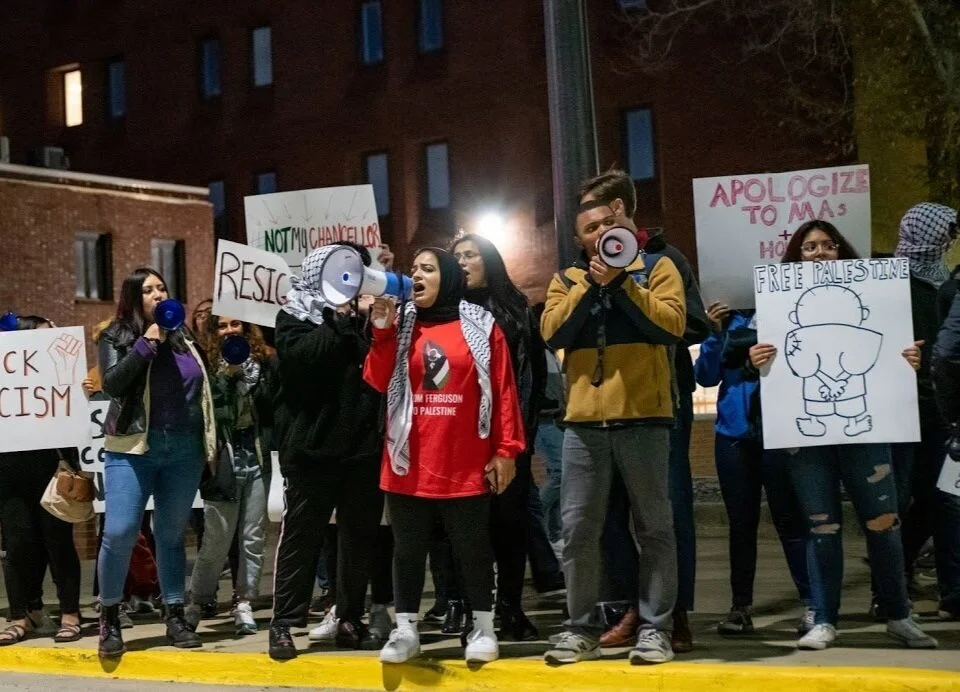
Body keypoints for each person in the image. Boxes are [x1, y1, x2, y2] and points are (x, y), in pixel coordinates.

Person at [747, 220, 937, 650]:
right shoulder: (774, 308)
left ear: (841, 251)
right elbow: (768, 364)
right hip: (807, 436)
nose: (820, 253)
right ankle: (824, 618)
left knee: (884, 522)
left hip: (866, 429)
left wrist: (906, 358)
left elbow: (884, 357)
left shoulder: (875, 303)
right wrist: (754, 357)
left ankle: (899, 614)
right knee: (822, 526)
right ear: (796, 256)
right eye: (809, 246)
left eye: (828, 245)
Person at [541, 195, 686, 666]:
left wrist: (623, 284)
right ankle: (580, 629)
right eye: (591, 228)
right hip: (583, 425)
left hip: (645, 419)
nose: (601, 232)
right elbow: (553, 332)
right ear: (580, 241)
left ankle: (656, 629)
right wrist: (591, 286)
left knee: (655, 528)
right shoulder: (566, 280)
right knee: (578, 530)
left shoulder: (656, 268)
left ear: (622, 221)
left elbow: (672, 326)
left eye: (608, 222)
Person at [365, 248, 525, 664]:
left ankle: (483, 627)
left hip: (464, 459)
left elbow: (504, 389)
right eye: (413, 268)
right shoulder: (400, 323)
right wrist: (382, 333)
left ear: (449, 277)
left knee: (472, 548)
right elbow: (377, 380)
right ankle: (405, 630)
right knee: (407, 550)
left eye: (428, 268)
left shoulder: (481, 325)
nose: (416, 274)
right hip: (408, 460)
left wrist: (506, 450)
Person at [577, 170, 710, 653]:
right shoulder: (584, 266)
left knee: (666, 510)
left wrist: (634, 307)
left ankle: (675, 613)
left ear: (617, 209)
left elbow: (692, 324)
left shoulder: (664, 259)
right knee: (608, 510)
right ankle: (639, 605)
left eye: (596, 211)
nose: (591, 224)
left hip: (661, 401)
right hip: (605, 402)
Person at [268, 242, 389, 660]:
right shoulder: (294, 316)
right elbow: (303, 360)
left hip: (362, 449)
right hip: (311, 449)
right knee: (302, 537)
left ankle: (350, 617)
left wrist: (373, 322)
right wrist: (338, 319)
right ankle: (284, 622)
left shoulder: (367, 321)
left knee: (358, 539)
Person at [96, 268, 216, 658]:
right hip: (133, 448)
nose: (158, 295)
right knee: (120, 531)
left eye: (162, 288)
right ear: (134, 298)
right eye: (148, 290)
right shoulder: (116, 335)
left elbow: (202, 390)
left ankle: (175, 614)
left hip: (183, 450)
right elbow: (112, 384)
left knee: (171, 534)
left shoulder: (184, 337)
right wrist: (146, 345)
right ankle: (110, 615)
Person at [452, 232, 550, 640]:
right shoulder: (446, 311)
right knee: (468, 530)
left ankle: (511, 606)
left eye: (471, 255)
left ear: (488, 261)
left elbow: (532, 375)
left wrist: (518, 437)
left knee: (511, 525)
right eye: (457, 256)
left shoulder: (515, 309)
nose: (462, 262)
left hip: (508, 437)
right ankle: (472, 609)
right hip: (461, 440)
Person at [694, 302, 812, 634]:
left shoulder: (787, 306)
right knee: (741, 524)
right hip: (733, 435)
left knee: (790, 520)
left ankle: (814, 603)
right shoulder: (729, 317)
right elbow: (705, 375)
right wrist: (714, 333)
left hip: (780, 432)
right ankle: (740, 607)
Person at [186, 316, 276, 635]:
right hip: (223, 460)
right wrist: (227, 375)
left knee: (252, 537)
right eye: (221, 326)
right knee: (216, 539)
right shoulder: (208, 366)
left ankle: (245, 602)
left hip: (256, 456)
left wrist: (254, 374)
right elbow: (213, 412)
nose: (229, 331)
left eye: (235, 324)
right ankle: (198, 602)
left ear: (246, 327)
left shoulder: (264, 362)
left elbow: (271, 408)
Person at [891, 203, 960, 618]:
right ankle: (891, 581)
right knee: (904, 498)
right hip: (902, 408)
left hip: (938, 408)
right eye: (945, 233)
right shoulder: (889, 284)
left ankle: (951, 591)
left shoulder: (947, 285)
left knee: (942, 497)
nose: (949, 241)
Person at [0, 315, 83, 646]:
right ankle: (21, 615)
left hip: (52, 467)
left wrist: (81, 391)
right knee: (17, 544)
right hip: (8, 470)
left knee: (57, 542)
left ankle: (70, 613)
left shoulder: (62, 374)